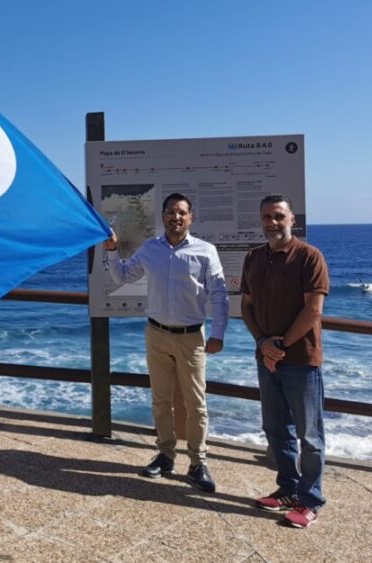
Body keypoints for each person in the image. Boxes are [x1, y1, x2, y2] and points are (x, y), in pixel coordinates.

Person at [103, 192, 228, 492]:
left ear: (190, 217)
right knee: (160, 400)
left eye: (182, 212)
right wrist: (111, 250)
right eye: (171, 212)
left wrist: (218, 334)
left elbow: (219, 294)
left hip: (191, 337)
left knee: (196, 403)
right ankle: (165, 455)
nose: (176, 217)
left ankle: (198, 463)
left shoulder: (205, 251)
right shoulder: (150, 250)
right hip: (156, 333)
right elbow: (121, 276)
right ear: (163, 216)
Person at [240, 195, 329, 529]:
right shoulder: (253, 258)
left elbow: (314, 310)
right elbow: (246, 306)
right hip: (267, 358)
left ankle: (311, 501)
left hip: (302, 361)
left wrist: (280, 345)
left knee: (310, 435)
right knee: (276, 429)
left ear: (292, 219)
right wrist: (264, 343)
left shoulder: (309, 257)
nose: (271, 223)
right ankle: (288, 490)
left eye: (278, 216)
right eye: (266, 217)